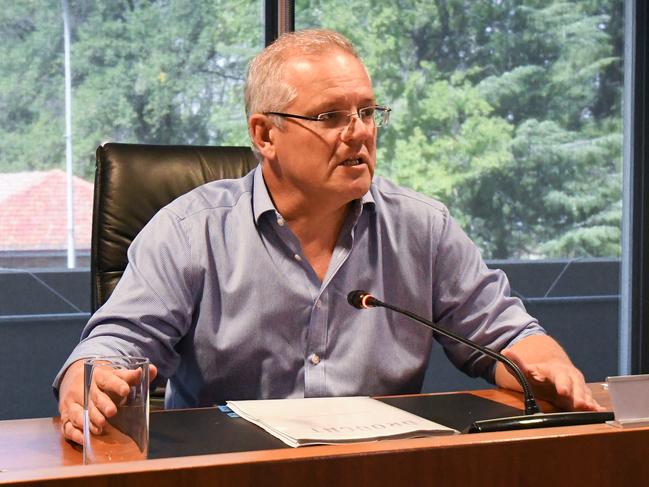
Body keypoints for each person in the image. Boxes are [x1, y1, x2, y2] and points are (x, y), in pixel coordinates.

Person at [55, 29, 602, 445]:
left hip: (382, 470)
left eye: (367, 111)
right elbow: (112, 346)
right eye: (331, 115)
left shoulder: (422, 227)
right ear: (265, 134)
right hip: (235, 473)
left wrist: (545, 361)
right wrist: (91, 378)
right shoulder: (190, 230)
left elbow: (507, 334)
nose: (359, 131)